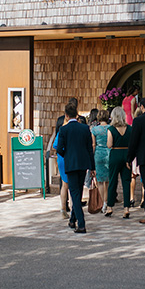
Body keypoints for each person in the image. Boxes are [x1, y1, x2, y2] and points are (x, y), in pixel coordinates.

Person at [56, 102, 95, 233]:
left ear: (66, 116)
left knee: (74, 193)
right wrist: (92, 167)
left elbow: (59, 148)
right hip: (83, 163)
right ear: (76, 115)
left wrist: (66, 154)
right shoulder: (84, 128)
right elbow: (90, 149)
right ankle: (73, 220)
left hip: (71, 163)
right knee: (77, 192)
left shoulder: (63, 129)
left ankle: (81, 223)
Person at [48, 97, 78, 218]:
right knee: (72, 185)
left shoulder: (62, 127)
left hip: (62, 157)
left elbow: (56, 145)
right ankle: (73, 208)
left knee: (65, 184)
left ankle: (63, 209)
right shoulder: (74, 127)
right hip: (70, 157)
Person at [105, 106, 132, 218]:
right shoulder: (130, 128)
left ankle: (110, 206)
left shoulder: (111, 129)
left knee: (112, 181)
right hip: (126, 154)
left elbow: (109, 145)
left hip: (115, 154)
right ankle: (126, 208)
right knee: (126, 182)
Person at [91, 109, 111, 214]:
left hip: (98, 153)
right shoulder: (111, 128)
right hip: (108, 152)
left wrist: (92, 156)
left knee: (99, 180)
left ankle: (102, 202)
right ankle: (106, 202)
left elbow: (93, 145)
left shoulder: (94, 130)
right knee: (107, 181)